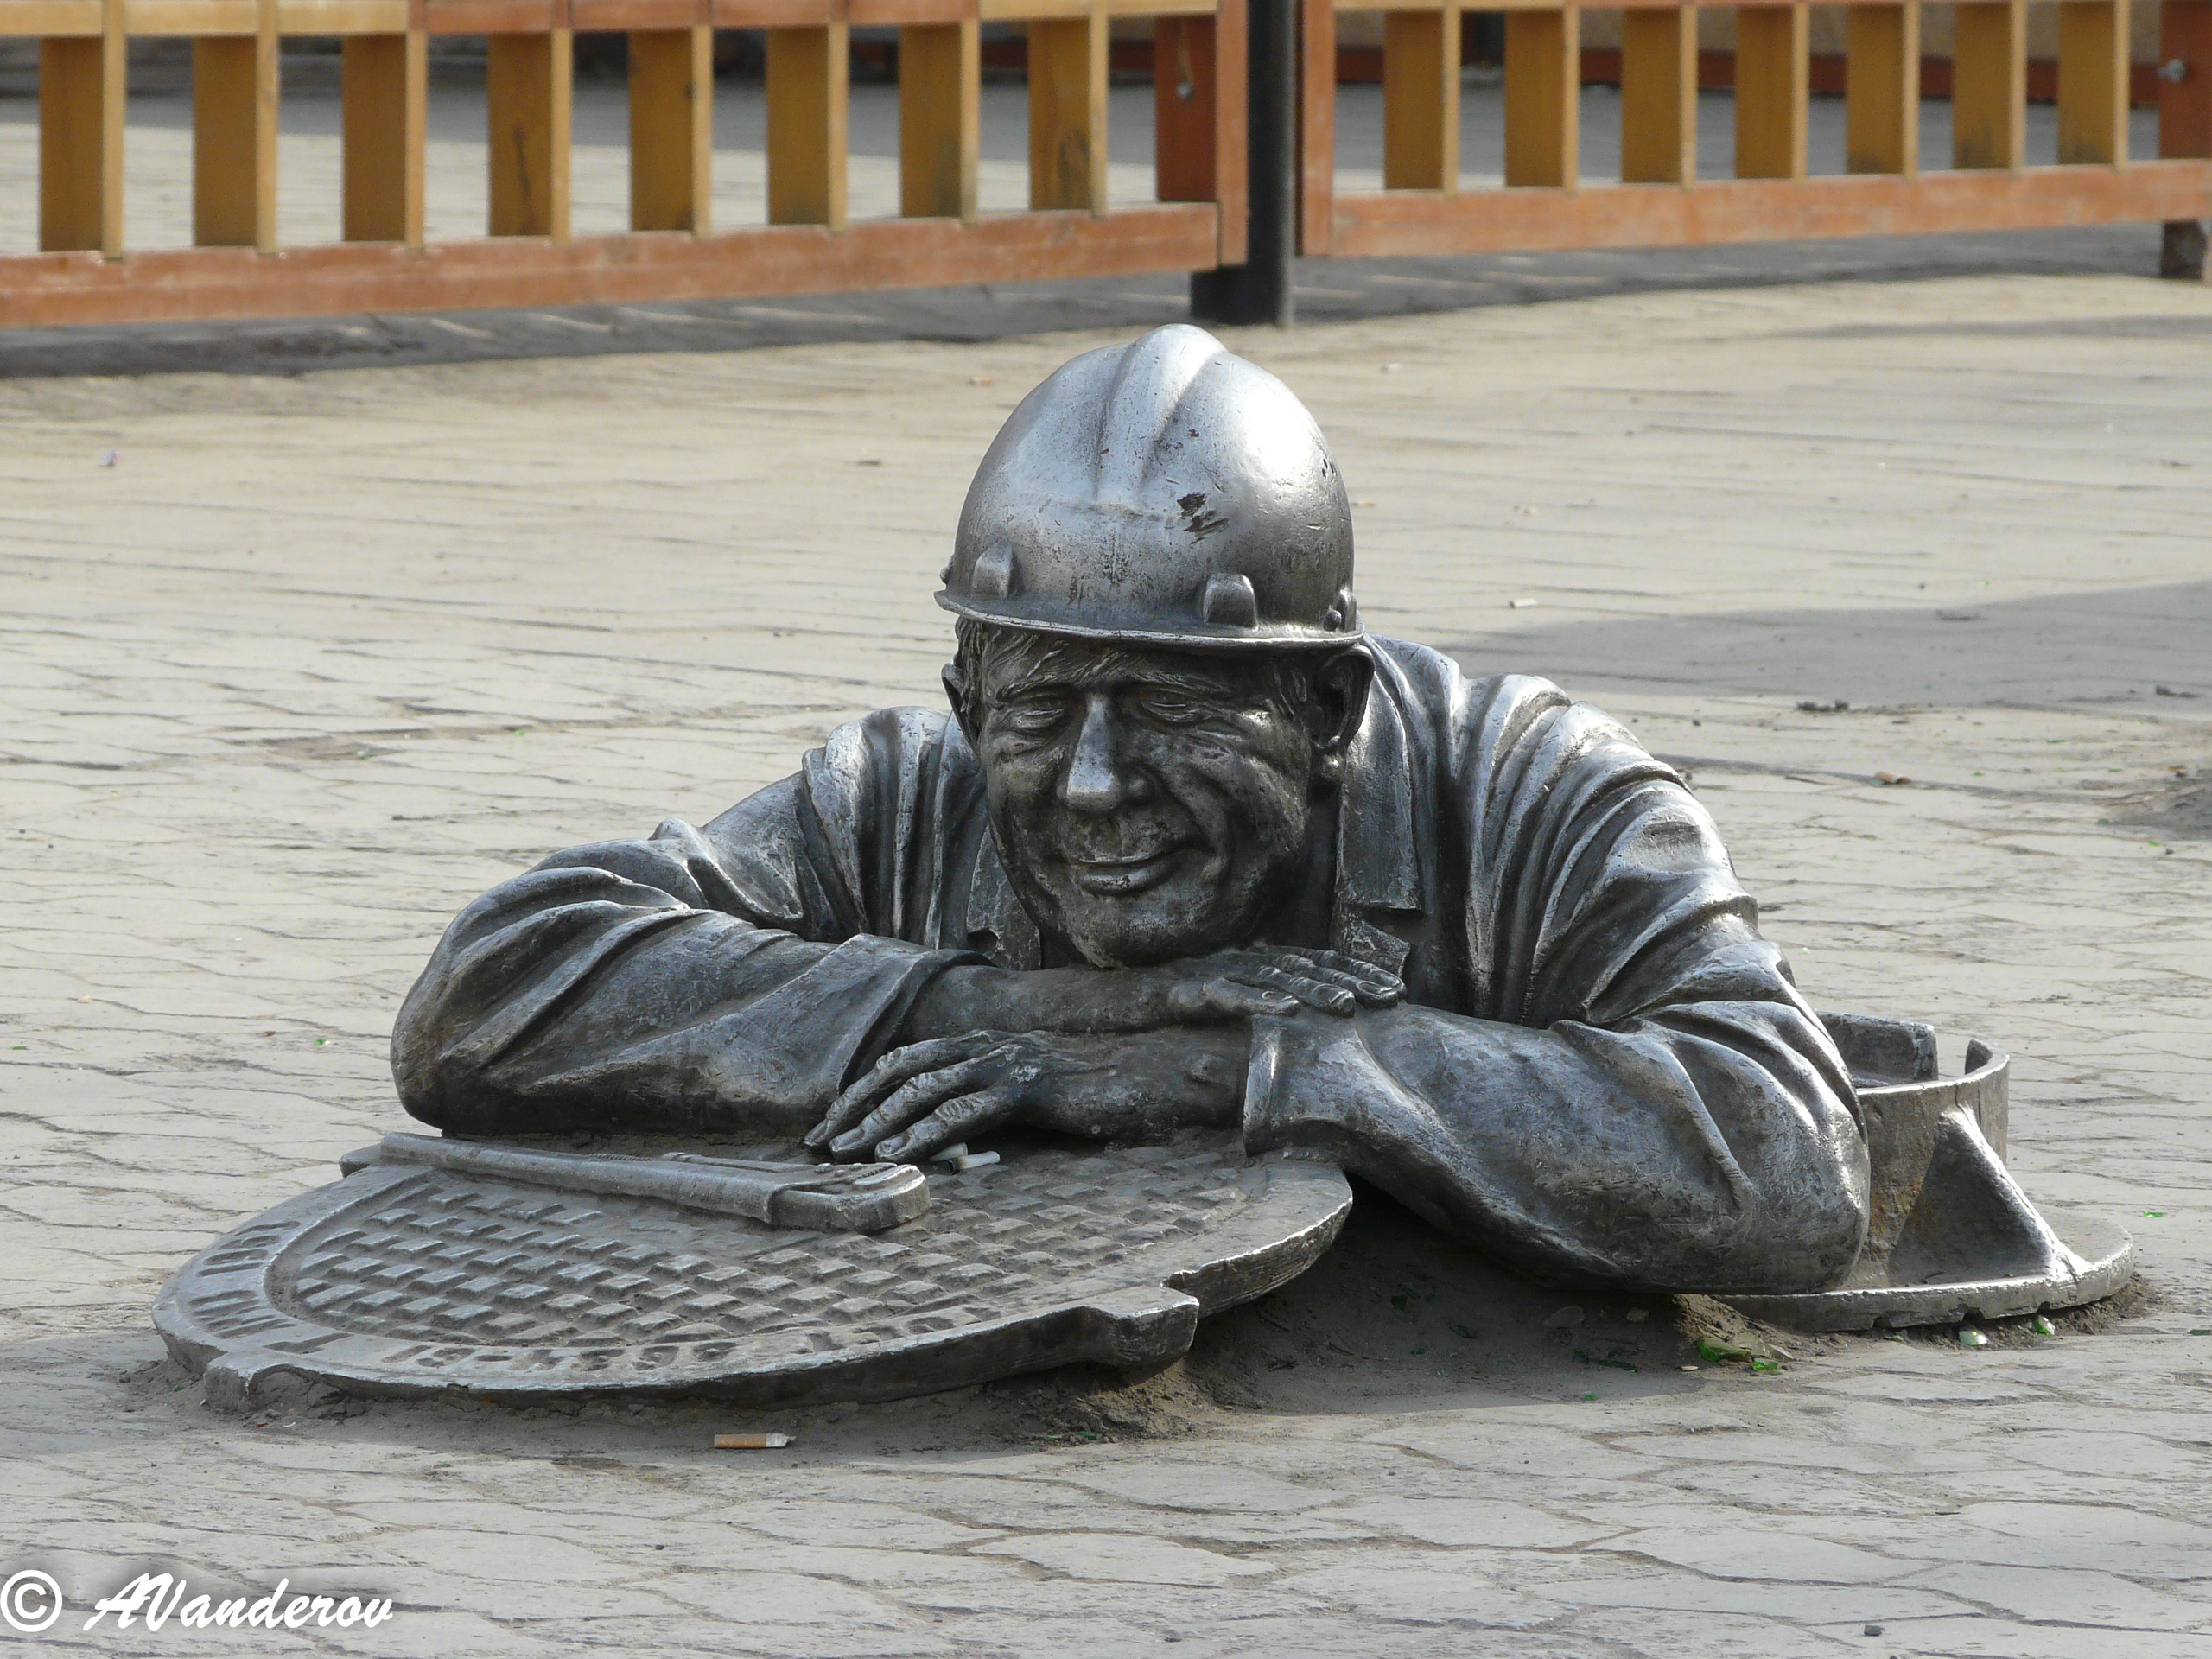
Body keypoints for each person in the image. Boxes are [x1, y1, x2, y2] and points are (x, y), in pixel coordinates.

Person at [392, 325, 1868, 1296]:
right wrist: (1016, 1012)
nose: (1093, 781)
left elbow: (1792, 1158)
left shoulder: (1544, 796)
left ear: (1328, 712)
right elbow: (488, 993)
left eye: (1167, 707)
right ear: (972, 704)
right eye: (1038, 714)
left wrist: (1240, 1074)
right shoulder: (909, 794)